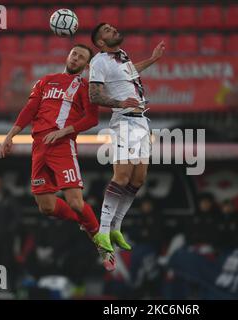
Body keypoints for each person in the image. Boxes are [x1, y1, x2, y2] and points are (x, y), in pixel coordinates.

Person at [0, 44, 115, 271]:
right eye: (74, 54)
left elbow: (92, 120)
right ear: (68, 56)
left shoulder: (85, 87)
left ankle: (103, 245)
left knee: (75, 202)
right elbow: (29, 109)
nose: (75, 58)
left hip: (62, 145)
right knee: (47, 208)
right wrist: (10, 135)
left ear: (86, 65)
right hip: (39, 147)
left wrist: (65, 131)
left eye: (81, 57)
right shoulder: (45, 81)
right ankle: (86, 221)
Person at [89, 23, 165, 253]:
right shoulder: (98, 62)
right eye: (108, 31)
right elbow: (94, 95)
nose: (114, 31)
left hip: (141, 120)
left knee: (138, 179)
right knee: (121, 176)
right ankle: (102, 231)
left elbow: (131, 73)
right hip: (124, 121)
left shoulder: (122, 56)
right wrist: (120, 103)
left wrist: (152, 59)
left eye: (113, 28)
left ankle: (116, 227)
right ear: (101, 42)